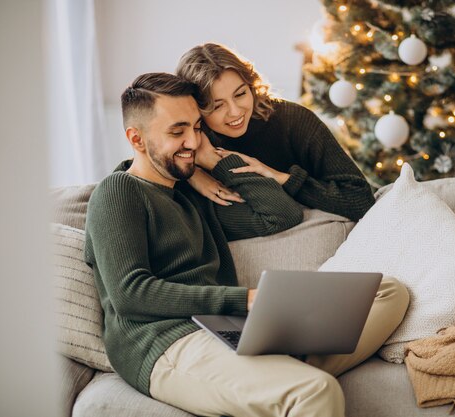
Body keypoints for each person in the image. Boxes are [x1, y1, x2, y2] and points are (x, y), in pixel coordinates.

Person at [85, 72, 410, 417]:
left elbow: (279, 215)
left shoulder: (195, 195)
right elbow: (130, 293)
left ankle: (281, 379)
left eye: (197, 128)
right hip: (165, 342)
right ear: (136, 139)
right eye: (177, 131)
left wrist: (215, 162)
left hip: (227, 328)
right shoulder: (118, 191)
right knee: (316, 391)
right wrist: (248, 299)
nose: (193, 142)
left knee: (388, 292)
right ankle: (290, 386)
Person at [176, 42, 376, 222]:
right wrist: (192, 174)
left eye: (241, 94)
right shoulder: (191, 141)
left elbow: (361, 200)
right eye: (217, 106)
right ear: (196, 109)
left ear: (251, 85)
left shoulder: (294, 120)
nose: (236, 112)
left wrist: (281, 178)